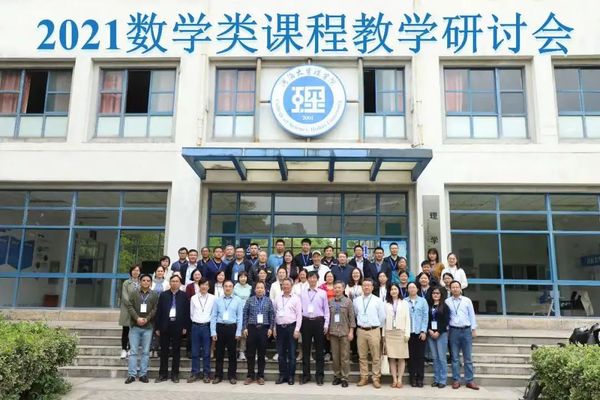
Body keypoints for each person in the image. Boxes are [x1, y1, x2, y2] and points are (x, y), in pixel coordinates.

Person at [154, 275, 191, 383]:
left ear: (180, 283)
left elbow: (187, 312)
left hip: (178, 326)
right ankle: (163, 374)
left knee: (176, 351)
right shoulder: (163, 295)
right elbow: (159, 311)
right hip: (165, 325)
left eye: (177, 281)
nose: (174, 283)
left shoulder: (184, 296)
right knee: (164, 351)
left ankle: (175, 375)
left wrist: (185, 327)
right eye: (173, 281)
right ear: (170, 283)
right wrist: (157, 327)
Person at [124, 273, 158, 384]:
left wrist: (147, 319)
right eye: (144, 280)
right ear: (140, 281)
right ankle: (132, 375)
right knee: (133, 352)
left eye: (148, 281)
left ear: (151, 283)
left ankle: (143, 374)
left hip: (148, 327)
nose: (146, 282)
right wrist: (137, 318)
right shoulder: (134, 293)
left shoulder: (154, 294)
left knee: (145, 352)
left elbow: (155, 308)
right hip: (135, 326)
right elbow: (130, 306)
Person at [445, 280, 479, 390]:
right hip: (453, 331)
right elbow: (446, 317)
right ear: (450, 289)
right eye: (453, 287)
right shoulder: (447, 301)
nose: (455, 289)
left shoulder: (467, 300)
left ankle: (470, 380)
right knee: (455, 358)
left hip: (466, 330)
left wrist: (473, 329)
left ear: (460, 289)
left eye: (457, 287)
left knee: (468, 357)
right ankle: (456, 380)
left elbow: (472, 315)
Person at [353, 278, 386, 389]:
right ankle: (364, 377)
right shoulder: (356, 300)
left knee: (376, 356)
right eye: (364, 285)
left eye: (369, 285)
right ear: (362, 287)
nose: (366, 287)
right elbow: (356, 313)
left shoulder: (378, 300)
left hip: (374, 330)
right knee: (362, 356)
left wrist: (376, 327)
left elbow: (382, 317)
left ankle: (376, 378)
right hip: (361, 330)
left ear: (372, 287)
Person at [211, 280, 244, 385]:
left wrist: (238, 332)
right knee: (219, 354)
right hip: (220, 327)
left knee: (232, 354)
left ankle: (232, 376)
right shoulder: (217, 300)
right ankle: (218, 376)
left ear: (233, 288)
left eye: (230, 286)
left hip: (232, 328)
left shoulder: (238, 300)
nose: (228, 288)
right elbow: (213, 316)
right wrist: (213, 331)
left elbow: (240, 317)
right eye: (226, 286)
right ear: (223, 288)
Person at [300, 271, 330, 385]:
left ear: (317, 279)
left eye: (314, 278)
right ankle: (306, 375)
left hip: (318, 322)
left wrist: (326, 324)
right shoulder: (302, 293)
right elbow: (299, 310)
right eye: (310, 278)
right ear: (307, 279)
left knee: (319, 350)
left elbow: (326, 310)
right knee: (306, 350)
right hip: (306, 322)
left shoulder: (322, 293)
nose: (312, 280)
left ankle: (319, 376)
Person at [243, 281, 275, 385]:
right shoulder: (249, 300)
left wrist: (271, 328)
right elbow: (245, 314)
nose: (260, 289)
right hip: (251, 328)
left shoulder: (268, 301)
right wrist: (244, 327)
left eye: (262, 288)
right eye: (258, 287)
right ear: (255, 289)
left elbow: (272, 315)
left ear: (265, 290)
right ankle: (250, 375)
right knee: (250, 354)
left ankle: (260, 376)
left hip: (263, 329)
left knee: (262, 354)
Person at [273, 278, 302, 385]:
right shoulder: (277, 298)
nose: (285, 286)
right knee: (281, 354)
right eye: (284, 284)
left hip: (291, 328)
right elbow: (274, 314)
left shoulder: (296, 298)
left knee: (292, 354)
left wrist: (297, 329)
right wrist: (274, 328)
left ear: (291, 286)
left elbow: (299, 315)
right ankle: (282, 375)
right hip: (280, 328)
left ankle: (291, 376)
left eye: (287, 284)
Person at [327, 281, 355, 388]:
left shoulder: (348, 302)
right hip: (333, 332)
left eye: (339, 288)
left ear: (343, 289)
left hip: (344, 332)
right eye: (335, 288)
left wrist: (351, 332)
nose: (337, 289)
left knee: (345, 356)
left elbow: (352, 318)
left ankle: (345, 378)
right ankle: (337, 376)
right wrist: (328, 331)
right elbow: (328, 318)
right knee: (335, 357)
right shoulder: (330, 301)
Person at [382, 283, 410, 388]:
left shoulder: (404, 303)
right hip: (389, 332)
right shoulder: (386, 304)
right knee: (392, 357)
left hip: (401, 332)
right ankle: (394, 379)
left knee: (401, 357)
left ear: (399, 291)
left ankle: (400, 379)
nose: (393, 291)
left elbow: (408, 319)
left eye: (395, 289)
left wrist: (407, 333)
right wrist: (383, 335)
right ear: (389, 292)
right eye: (392, 289)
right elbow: (383, 321)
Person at [187, 278, 215, 384]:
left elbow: (213, 313)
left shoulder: (213, 298)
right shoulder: (193, 298)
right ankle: (195, 373)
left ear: (209, 287)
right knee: (195, 351)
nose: (204, 286)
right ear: (199, 286)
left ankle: (206, 373)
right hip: (195, 326)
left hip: (207, 327)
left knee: (207, 352)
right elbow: (191, 313)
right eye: (202, 284)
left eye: (206, 285)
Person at [405, 281, 429, 388]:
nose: (412, 289)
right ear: (407, 290)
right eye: (410, 287)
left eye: (414, 287)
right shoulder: (404, 301)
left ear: (417, 289)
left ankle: (420, 378)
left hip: (420, 333)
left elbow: (425, 316)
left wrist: (424, 331)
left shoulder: (423, 301)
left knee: (420, 356)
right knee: (411, 357)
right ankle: (412, 378)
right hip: (409, 333)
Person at [428, 286, 450, 389]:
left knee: (442, 358)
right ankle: (436, 379)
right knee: (435, 358)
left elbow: (446, 321)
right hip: (431, 333)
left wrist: (438, 332)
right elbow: (426, 319)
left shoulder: (445, 306)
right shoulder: (429, 305)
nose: (435, 295)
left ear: (441, 295)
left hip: (441, 334)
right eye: (434, 293)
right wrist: (429, 330)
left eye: (437, 293)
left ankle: (442, 380)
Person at [119, 264, 140, 359]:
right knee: (126, 330)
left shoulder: (141, 282)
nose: (136, 272)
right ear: (131, 272)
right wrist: (131, 305)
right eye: (134, 270)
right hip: (127, 309)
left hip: (138, 310)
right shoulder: (126, 283)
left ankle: (131, 348)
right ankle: (124, 349)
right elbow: (124, 296)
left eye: (137, 270)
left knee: (134, 330)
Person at [233, 271, 252, 361]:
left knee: (244, 331)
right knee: (236, 331)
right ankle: (234, 350)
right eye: (241, 277)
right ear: (238, 278)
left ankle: (242, 351)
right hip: (236, 311)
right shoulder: (235, 287)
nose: (243, 278)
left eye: (244, 277)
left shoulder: (250, 287)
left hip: (247, 311)